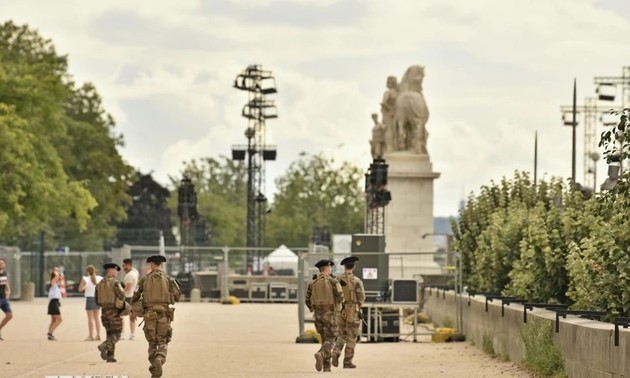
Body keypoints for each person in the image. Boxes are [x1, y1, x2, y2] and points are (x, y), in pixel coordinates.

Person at [130, 255, 180, 378]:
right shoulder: (169, 279)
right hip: (164, 314)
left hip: (149, 315)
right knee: (163, 341)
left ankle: (154, 365)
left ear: (151, 264)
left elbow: (135, 296)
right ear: (161, 265)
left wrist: (133, 311)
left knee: (152, 342)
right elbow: (177, 296)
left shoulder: (144, 279)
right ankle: (160, 359)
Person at [305, 259, 344, 372]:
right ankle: (321, 354)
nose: (331, 269)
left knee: (324, 339)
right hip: (330, 313)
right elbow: (341, 297)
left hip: (318, 315)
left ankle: (326, 367)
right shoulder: (333, 281)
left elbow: (307, 300)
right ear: (327, 269)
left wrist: (314, 308)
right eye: (330, 268)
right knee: (332, 337)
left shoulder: (312, 283)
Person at [332, 256, 366, 369]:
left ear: (344, 266)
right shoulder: (356, 281)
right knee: (352, 336)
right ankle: (347, 362)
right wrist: (356, 306)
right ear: (354, 266)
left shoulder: (336, 279)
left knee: (342, 334)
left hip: (339, 310)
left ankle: (335, 352)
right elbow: (361, 298)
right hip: (352, 310)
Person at [95, 263, 126, 363]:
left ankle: (110, 356)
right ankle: (103, 346)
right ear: (111, 270)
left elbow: (96, 300)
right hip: (113, 311)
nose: (117, 272)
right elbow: (121, 296)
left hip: (104, 311)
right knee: (117, 334)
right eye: (116, 270)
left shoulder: (99, 284)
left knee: (109, 334)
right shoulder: (115, 283)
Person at [78, 264, 103, 341]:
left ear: (87, 272)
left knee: (90, 319)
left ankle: (90, 335)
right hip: (97, 298)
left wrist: (85, 287)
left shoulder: (85, 279)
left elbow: (80, 289)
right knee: (97, 318)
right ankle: (98, 335)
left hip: (89, 298)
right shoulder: (100, 278)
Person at [121, 258, 139, 340]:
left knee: (121, 316)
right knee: (132, 316)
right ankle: (132, 334)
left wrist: (119, 289)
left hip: (128, 297)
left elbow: (128, 288)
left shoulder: (130, 275)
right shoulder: (134, 272)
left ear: (128, 265)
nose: (123, 267)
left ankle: (122, 334)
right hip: (133, 297)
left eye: (124, 265)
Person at [47, 267, 63, 340]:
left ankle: (50, 334)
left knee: (53, 320)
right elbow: (57, 276)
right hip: (53, 303)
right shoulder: (52, 282)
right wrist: (56, 271)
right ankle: (50, 333)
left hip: (55, 302)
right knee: (60, 320)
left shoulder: (56, 285)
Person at [0, 258, 13, 340]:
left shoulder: (4, 273)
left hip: (3, 299)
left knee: (9, 315)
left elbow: (6, 284)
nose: (1, 264)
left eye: (2, 263)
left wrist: (8, 291)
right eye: (0, 263)